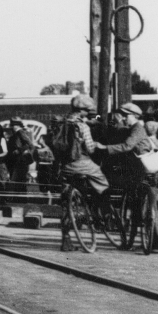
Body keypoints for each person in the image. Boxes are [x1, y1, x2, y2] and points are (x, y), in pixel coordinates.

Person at [97, 102, 158, 254]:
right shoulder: (132, 129)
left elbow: (127, 146)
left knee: (146, 208)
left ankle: (157, 243)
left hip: (145, 173)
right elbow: (121, 133)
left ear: (131, 116)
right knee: (147, 207)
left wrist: (104, 148)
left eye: (124, 115)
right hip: (142, 173)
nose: (122, 118)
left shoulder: (137, 129)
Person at [47, 95, 113, 253]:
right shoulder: (83, 126)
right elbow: (90, 148)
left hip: (64, 166)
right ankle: (103, 215)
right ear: (82, 110)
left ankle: (66, 239)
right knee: (103, 184)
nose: (89, 113)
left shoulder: (59, 122)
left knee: (66, 202)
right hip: (82, 163)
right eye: (88, 110)